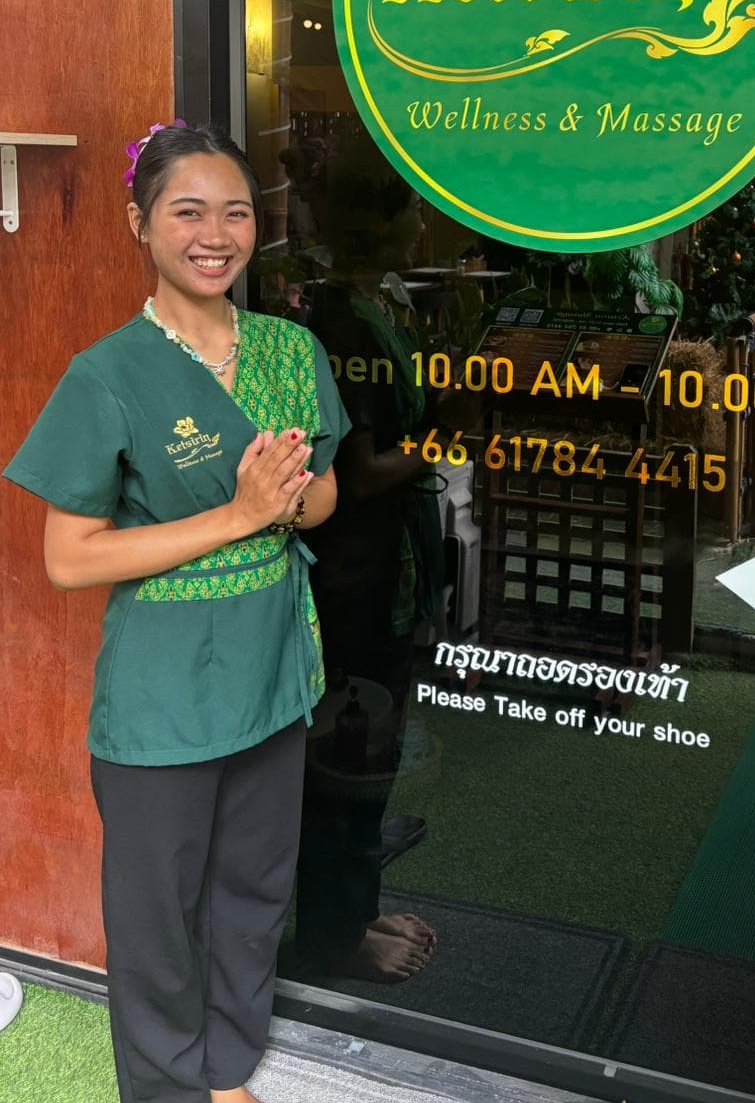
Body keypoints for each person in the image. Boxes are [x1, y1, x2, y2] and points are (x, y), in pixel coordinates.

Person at [2, 122, 350, 1103]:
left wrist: (286, 500)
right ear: (139, 225)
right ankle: (164, 1086)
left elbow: (322, 495)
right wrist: (239, 515)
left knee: (251, 890)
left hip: (272, 665)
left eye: (234, 211)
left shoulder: (288, 347)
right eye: (187, 210)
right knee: (157, 908)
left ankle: (228, 1067)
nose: (215, 232)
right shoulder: (107, 374)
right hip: (162, 693)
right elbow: (70, 559)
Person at [294, 143, 456, 984]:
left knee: (371, 749)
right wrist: (448, 438)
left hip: (389, 567)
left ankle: (353, 906)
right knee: (350, 753)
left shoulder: (379, 302)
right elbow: (355, 473)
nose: (424, 221)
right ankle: (336, 933)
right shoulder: (341, 320)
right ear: (378, 223)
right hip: (355, 577)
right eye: (412, 209)